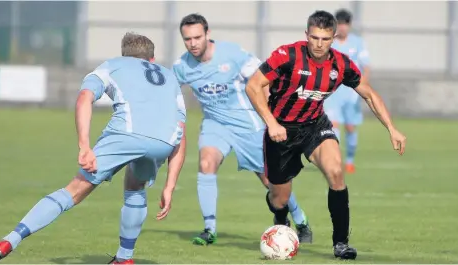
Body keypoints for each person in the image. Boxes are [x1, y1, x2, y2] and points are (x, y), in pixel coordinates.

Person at [0, 32, 187, 265]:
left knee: (74, 190)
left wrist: (84, 146)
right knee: (135, 185)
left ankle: (9, 240)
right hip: (164, 142)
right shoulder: (169, 77)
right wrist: (169, 186)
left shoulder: (112, 65)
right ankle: (124, 259)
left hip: (126, 134)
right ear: (152, 59)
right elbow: (181, 131)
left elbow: (84, 98)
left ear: (125, 54)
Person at [245, 10, 406, 260]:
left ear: (334, 38)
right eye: (314, 38)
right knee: (280, 197)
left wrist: (392, 128)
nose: (319, 44)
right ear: (306, 35)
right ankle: (280, 217)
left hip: (314, 126)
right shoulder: (287, 55)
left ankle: (340, 243)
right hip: (281, 130)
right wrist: (271, 123)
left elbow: (370, 95)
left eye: (325, 39)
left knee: (335, 171)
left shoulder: (341, 64)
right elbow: (253, 85)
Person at [172, 13, 312, 246]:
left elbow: (263, 81)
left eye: (197, 37)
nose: (193, 43)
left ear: (208, 34)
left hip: (248, 126)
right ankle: (209, 229)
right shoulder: (181, 66)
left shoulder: (233, 55)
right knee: (206, 164)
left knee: (272, 181)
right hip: (215, 124)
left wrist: (273, 118)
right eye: (187, 39)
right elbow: (169, 92)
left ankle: (300, 220)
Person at [323, 9, 371, 173]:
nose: (342, 28)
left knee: (350, 127)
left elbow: (366, 66)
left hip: (351, 93)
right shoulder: (330, 42)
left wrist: (363, 88)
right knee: (333, 125)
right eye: (340, 24)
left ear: (349, 26)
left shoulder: (357, 43)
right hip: (333, 92)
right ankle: (335, 160)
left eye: (345, 24)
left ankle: (349, 160)